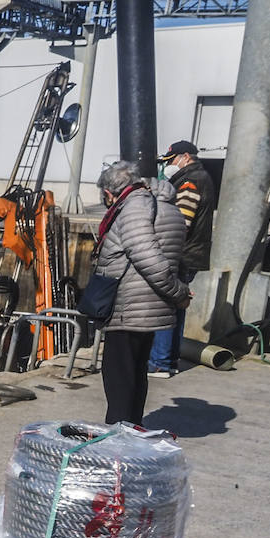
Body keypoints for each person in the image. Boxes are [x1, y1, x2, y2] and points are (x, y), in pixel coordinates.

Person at [93, 160, 190, 425]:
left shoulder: (135, 206)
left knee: (119, 373)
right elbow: (175, 257)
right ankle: (132, 426)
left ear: (110, 192)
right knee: (135, 370)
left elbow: (145, 255)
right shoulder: (168, 207)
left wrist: (177, 292)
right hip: (150, 305)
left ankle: (119, 433)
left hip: (130, 305)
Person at [149, 140, 217, 377]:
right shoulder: (201, 177)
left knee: (165, 306)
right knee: (178, 304)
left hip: (181, 254)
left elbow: (181, 222)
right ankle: (171, 359)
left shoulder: (190, 182)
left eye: (172, 160)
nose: (170, 166)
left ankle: (159, 362)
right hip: (191, 253)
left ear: (185, 157)